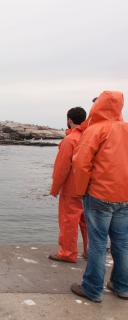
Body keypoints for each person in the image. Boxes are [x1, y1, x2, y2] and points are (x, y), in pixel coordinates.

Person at [70, 91, 128, 302]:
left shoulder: (96, 130)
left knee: (98, 243)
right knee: (122, 243)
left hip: (100, 194)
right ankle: (122, 287)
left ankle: (93, 289)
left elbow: (81, 163)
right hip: (125, 196)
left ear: (98, 106)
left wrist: (80, 190)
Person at [49, 107, 88, 263]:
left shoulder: (70, 140)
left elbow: (62, 168)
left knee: (69, 221)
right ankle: (89, 251)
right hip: (89, 188)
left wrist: (54, 189)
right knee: (88, 221)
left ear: (69, 120)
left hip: (72, 188)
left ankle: (67, 253)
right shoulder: (90, 137)